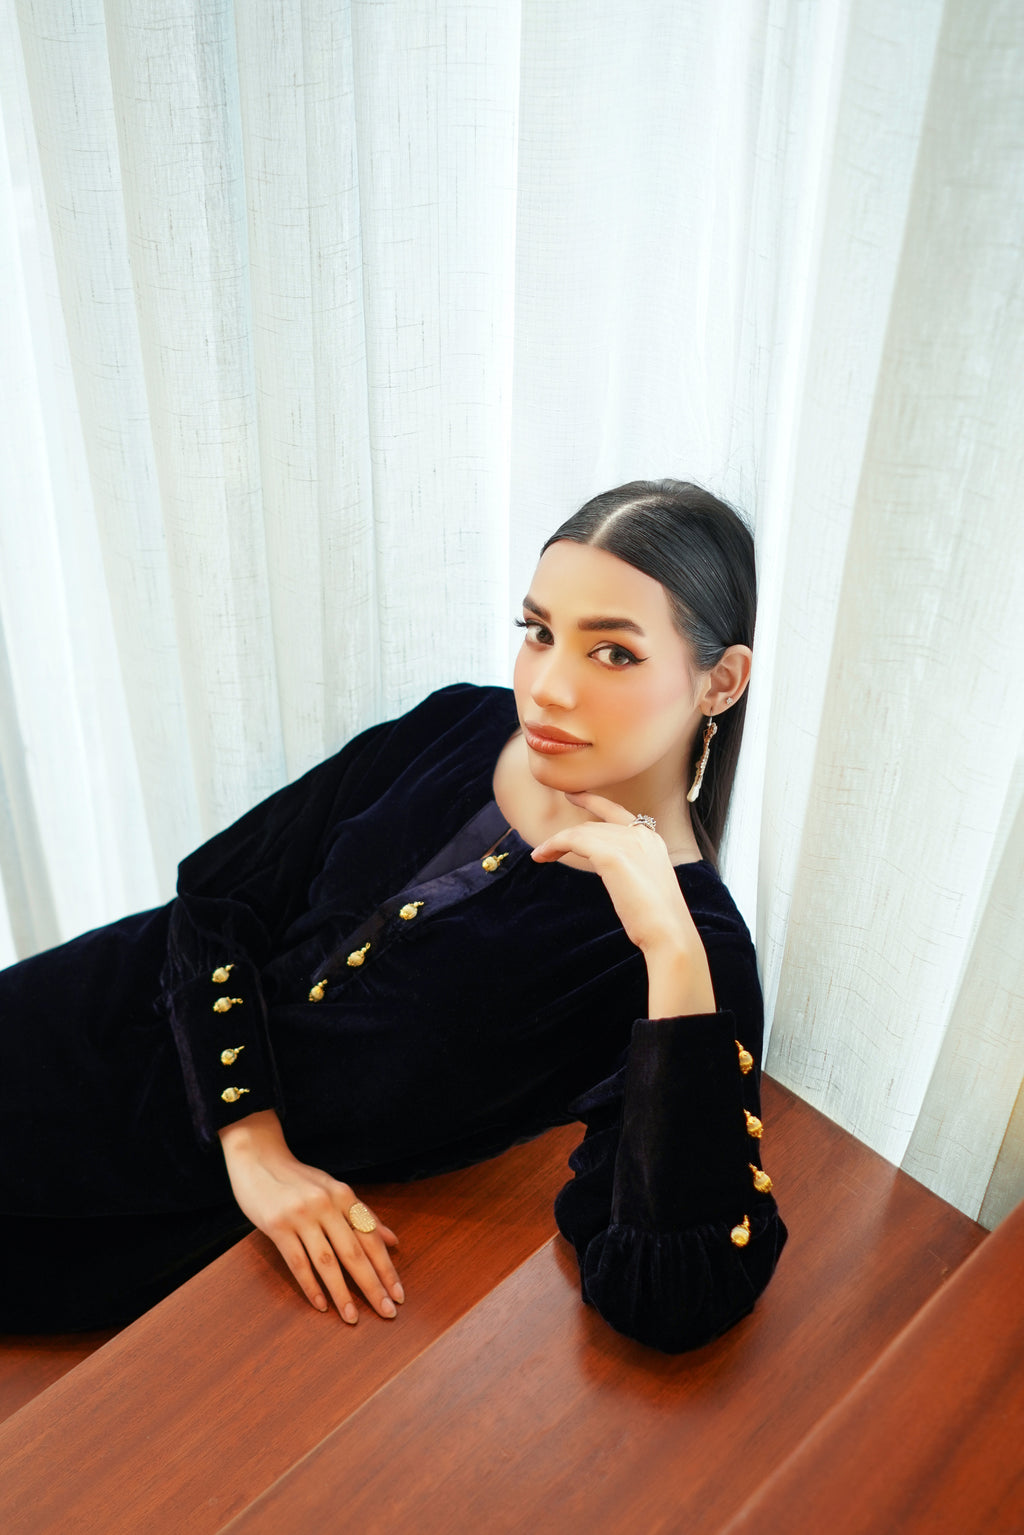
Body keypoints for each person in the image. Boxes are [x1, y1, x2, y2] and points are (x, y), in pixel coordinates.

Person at [0, 479, 786, 1351]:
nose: (549, 688)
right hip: (101, 1005)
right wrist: (253, 1144)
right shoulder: (461, 722)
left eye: (613, 653)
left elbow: (670, 1291)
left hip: (149, 1197)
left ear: (721, 680)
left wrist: (669, 945)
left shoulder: (687, 949)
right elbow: (220, 894)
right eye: (539, 633)